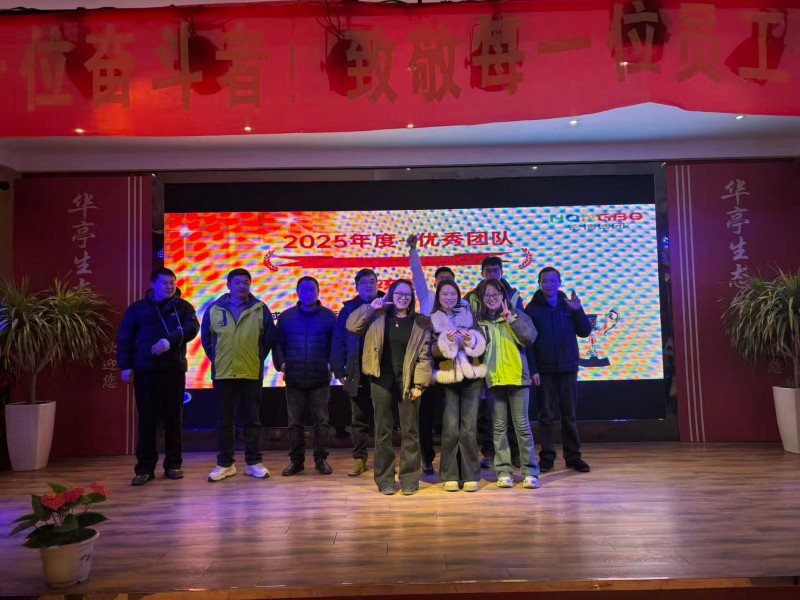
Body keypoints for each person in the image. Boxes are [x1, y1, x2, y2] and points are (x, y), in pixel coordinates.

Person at [347, 279, 433, 495]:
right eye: (399, 294)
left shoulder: (420, 322)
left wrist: (420, 385)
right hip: (381, 381)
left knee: (410, 432)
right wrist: (371, 307)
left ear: (412, 298)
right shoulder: (377, 317)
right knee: (382, 432)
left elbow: (424, 357)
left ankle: (409, 479)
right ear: (390, 296)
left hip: (408, 382)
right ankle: (385, 479)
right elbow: (352, 325)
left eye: (407, 295)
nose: (403, 298)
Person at [118, 267, 200, 486]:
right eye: (165, 283)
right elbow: (125, 338)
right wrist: (125, 366)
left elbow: (192, 328)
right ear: (152, 284)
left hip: (173, 370)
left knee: (174, 419)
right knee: (147, 420)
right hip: (145, 371)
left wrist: (169, 342)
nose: (170, 286)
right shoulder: (137, 308)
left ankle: (173, 464)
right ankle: (145, 468)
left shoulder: (183, 306)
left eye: (172, 282)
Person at [201, 268, 276, 482]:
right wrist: (220, 359)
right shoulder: (214, 308)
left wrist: (256, 357)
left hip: (251, 373)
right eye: (237, 282)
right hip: (223, 374)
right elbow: (207, 340)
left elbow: (269, 338)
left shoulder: (260, 308)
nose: (242, 286)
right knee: (224, 421)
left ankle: (253, 463)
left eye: (246, 282)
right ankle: (225, 464)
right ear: (228, 285)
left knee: (252, 420)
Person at [407, 233, 469, 475]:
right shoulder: (427, 298)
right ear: (435, 284)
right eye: (440, 280)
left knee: (452, 415)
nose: (445, 284)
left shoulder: (463, 305)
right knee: (426, 414)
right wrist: (413, 250)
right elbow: (417, 275)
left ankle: (453, 459)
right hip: (428, 363)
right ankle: (426, 457)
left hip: (453, 365)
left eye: (449, 280)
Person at [525, 267, 593, 473]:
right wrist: (533, 370)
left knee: (569, 415)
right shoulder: (532, 309)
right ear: (539, 283)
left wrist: (578, 310)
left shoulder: (568, 305)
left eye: (553, 281)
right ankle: (547, 457)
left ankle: (573, 457)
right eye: (545, 281)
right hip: (544, 371)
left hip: (568, 368)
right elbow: (529, 343)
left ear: (560, 282)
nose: (549, 284)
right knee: (545, 416)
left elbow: (585, 331)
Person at [475, 279, 540, 490]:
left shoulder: (517, 315)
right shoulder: (479, 322)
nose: (491, 298)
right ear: (482, 299)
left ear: (503, 296)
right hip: (494, 380)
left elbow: (529, 338)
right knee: (499, 428)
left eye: (495, 294)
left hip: (518, 378)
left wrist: (510, 319)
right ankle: (503, 472)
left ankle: (530, 472)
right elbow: (476, 351)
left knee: (522, 427)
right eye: (487, 295)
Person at [274, 276, 337, 476]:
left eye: (312, 289)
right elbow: (277, 344)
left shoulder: (329, 316)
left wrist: (331, 364)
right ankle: (296, 461)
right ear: (297, 292)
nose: (308, 292)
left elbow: (336, 344)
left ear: (318, 292)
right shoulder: (286, 317)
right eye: (304, 289)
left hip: (320, 378)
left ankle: (321, 460)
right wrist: (281, 363)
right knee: (295, 424)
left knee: (322, 422)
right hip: (294, 378)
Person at [428, 280, 486, 492]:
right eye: (445, 294)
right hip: (448, 377)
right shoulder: (432, 318)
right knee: (451, 429)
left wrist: (471, 339)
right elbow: (431, 350)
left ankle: (471, 475)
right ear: (438, 296)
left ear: (458, 295)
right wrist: (446, 342)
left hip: (471, 376)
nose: (449, 298)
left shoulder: (470, 315)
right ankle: (450, 475)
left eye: (453, 294)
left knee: (469, 429)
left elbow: (482, 343)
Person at [464, 255, 522, 469]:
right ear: (482, 273)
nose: (491, 274)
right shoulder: (471, 297)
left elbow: (522, 330)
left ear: (502, 272)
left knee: (514, 417)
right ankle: (489, 453)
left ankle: (515, 454)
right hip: (483, 361)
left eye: (495, 271)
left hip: (510, 361)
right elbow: (468, 327)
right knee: (486, 414)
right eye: (488, 271)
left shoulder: (513, 295)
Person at [330, 268, 384, 476]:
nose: (369, 285)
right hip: (356, 370)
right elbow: (339, 340)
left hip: (382, 370)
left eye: (372, 281)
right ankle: (359, 459)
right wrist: (339, 370)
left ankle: (382, 460)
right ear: (357, 287)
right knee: (358, 418)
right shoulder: (348, 309)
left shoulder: (387, 304)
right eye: (364, 282)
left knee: (383, 418)